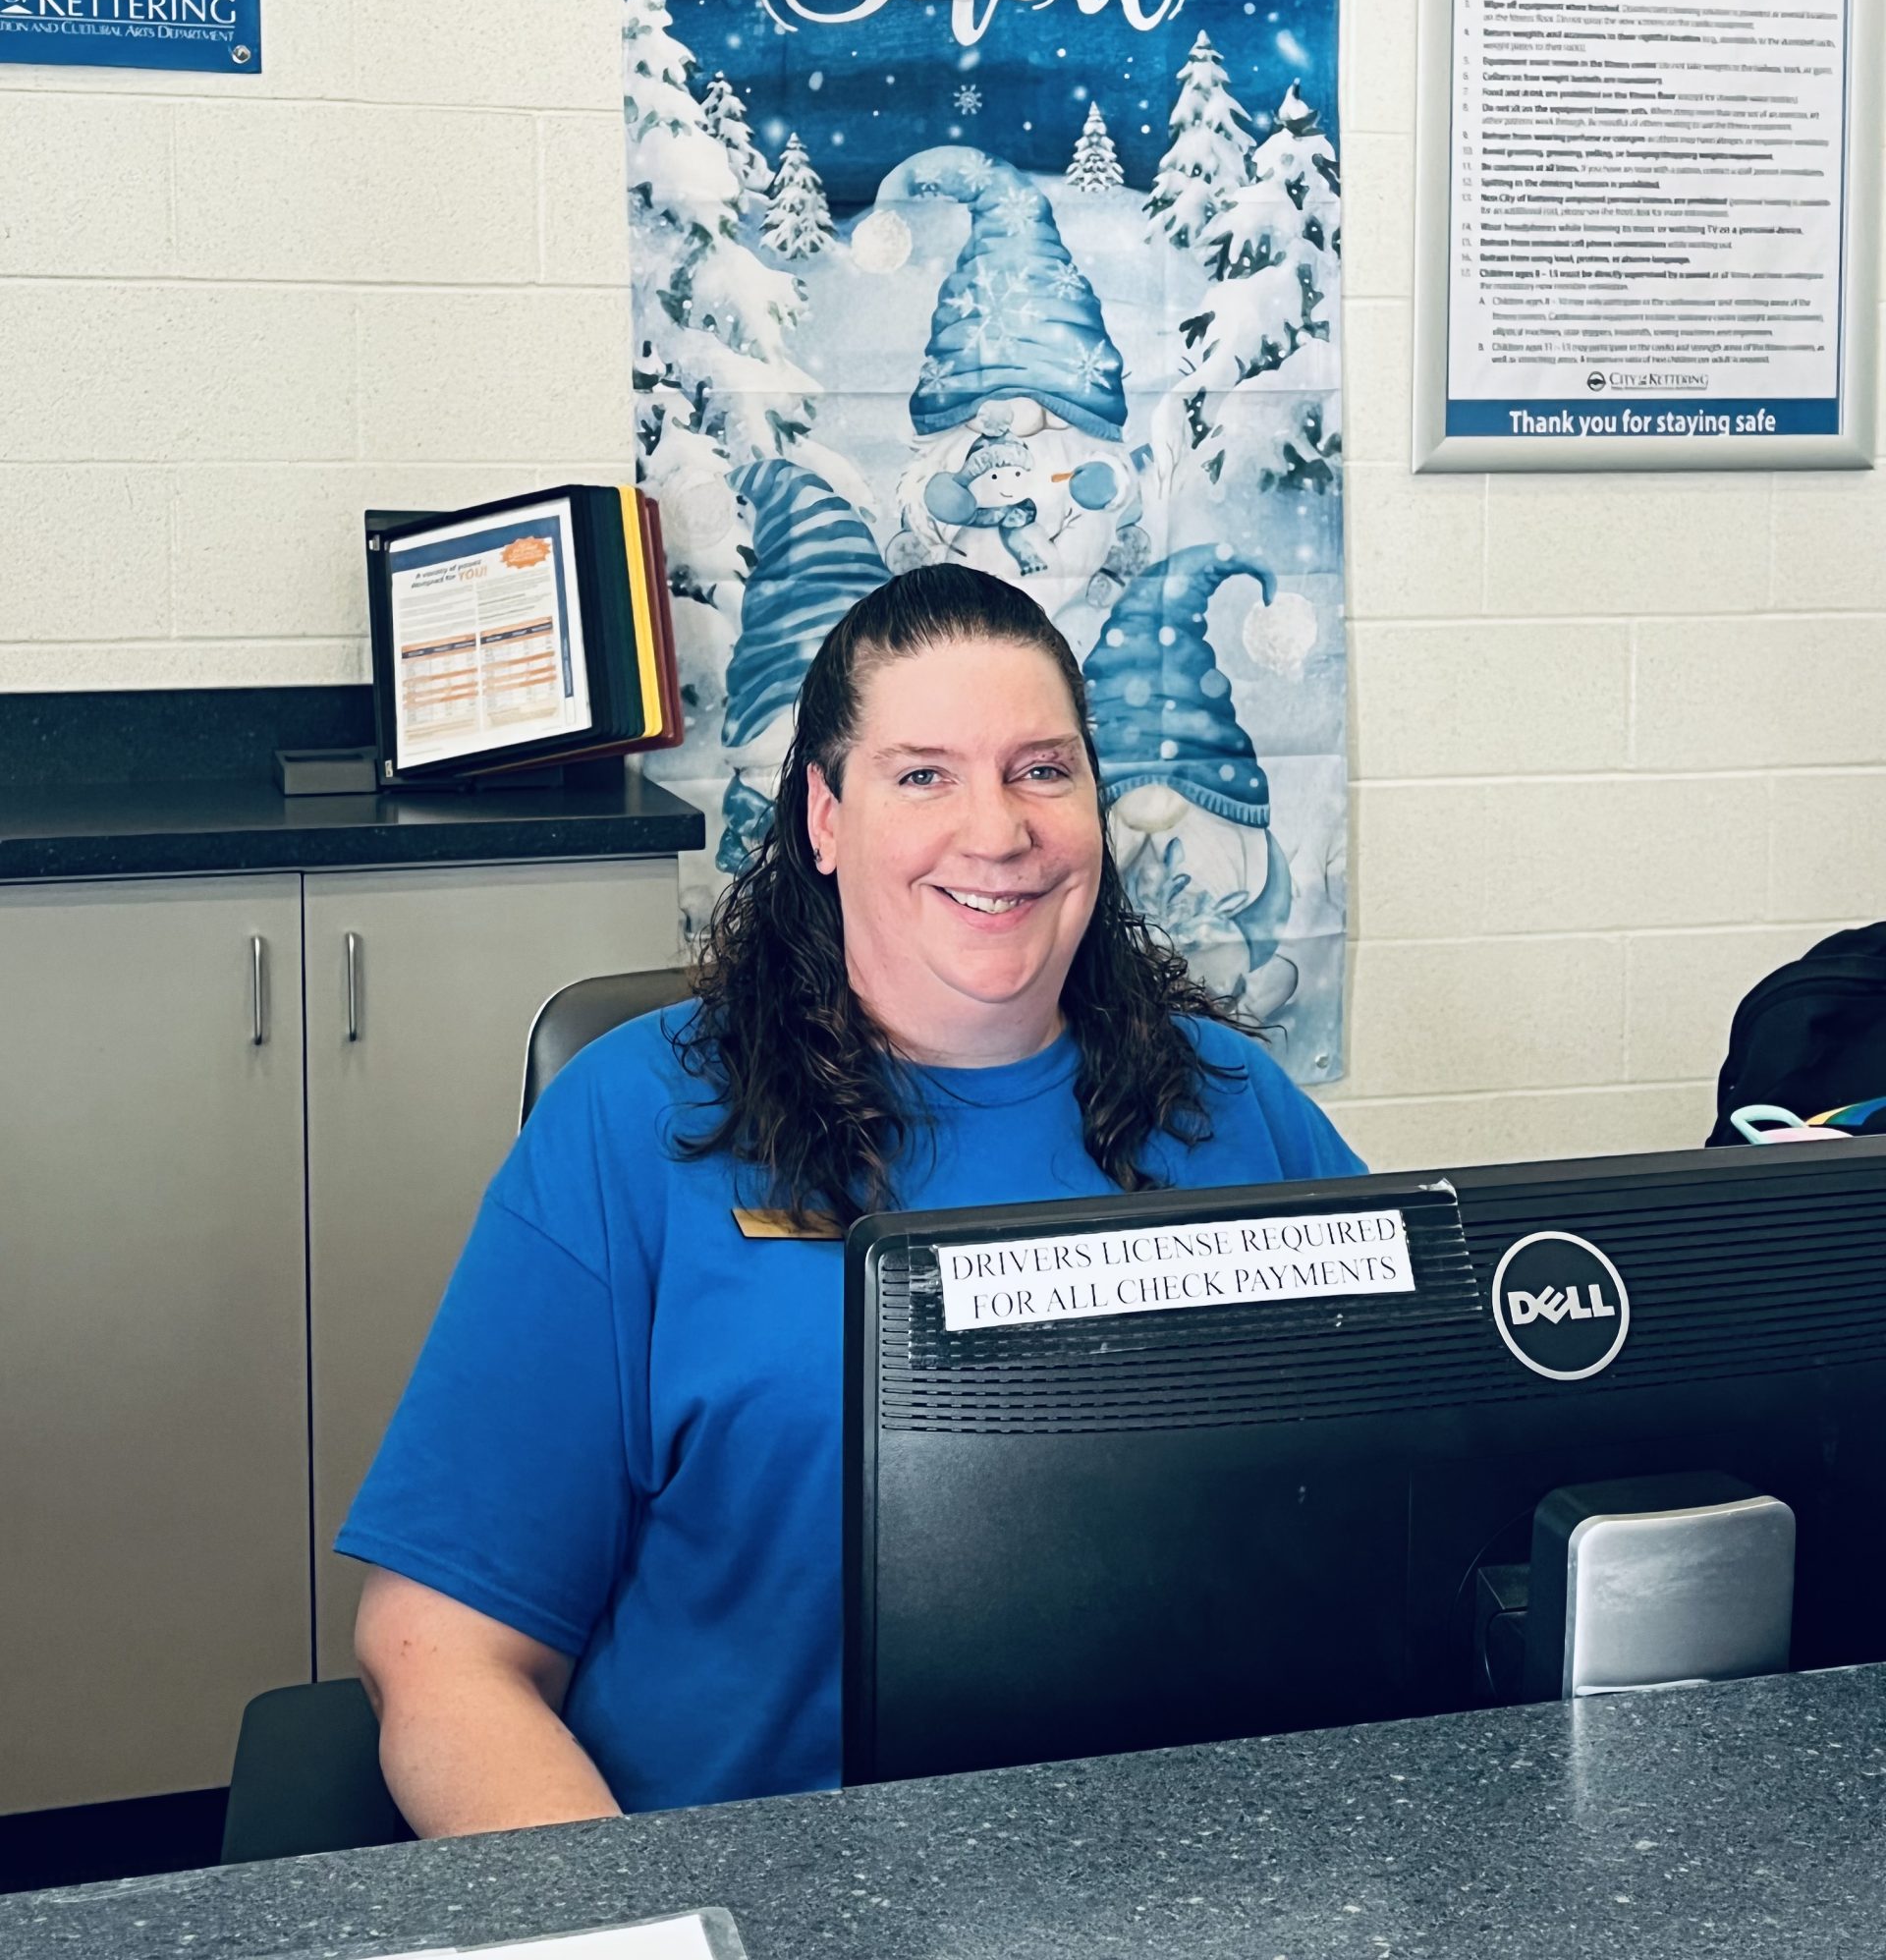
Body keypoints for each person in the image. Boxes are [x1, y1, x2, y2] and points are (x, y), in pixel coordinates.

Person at [341, 566, 1363, 1837]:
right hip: (752, 1882)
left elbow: (1410, 1510)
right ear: (824, 818)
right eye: (923, 775)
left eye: (1043, 770)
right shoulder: (631, 1123)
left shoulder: (1235, 1106)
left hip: (1179, 1865)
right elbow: (440, 1649)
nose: (998, 832)